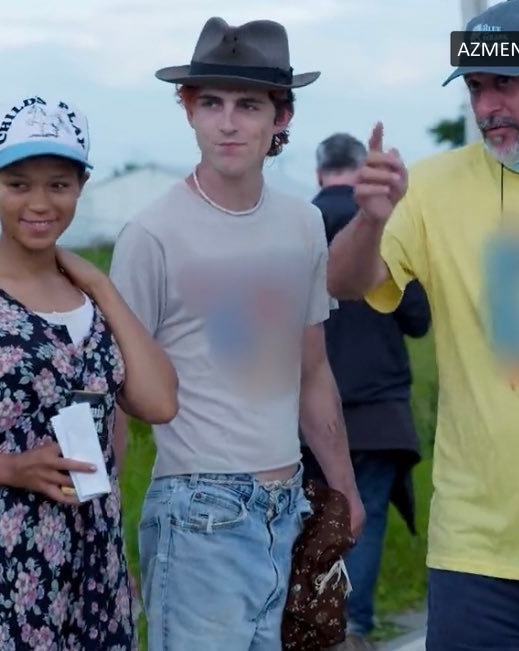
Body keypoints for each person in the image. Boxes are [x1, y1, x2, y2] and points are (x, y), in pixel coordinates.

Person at [325, 1, 519, 649]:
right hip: (478, 549)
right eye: (475, 87)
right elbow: (343, 282)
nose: (487, 106)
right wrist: (370, 219)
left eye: (505, 84)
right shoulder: (432, 188)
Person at [109, 16, 364, 651]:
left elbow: (312, 368)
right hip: (197, 511)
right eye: (211, 103)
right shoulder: (151, 233)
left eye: (248, 105)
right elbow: (112, 391)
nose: (228, 123)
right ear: (188, 110)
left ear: (281, 116)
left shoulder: (303, 224)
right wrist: (104, 522)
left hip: (289, 506)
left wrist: (344, 487)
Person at [0, 96, 178, 650]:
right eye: (18, 184)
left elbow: (159, 403)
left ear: (82, 185)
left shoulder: (91, 299)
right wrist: (11, 467)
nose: (40, 203)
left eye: (59, 185)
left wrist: (103, 287)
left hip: (96, 581)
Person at [300, 133, 430, 650]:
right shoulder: (385, 225)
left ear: (319, 173)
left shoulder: (294, 226)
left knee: (310, 522)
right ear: (361, 172)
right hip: (378, 412)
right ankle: (352, 628)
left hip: (303, 411)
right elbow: (417, 319)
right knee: (364, 520)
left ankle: (312, 629)